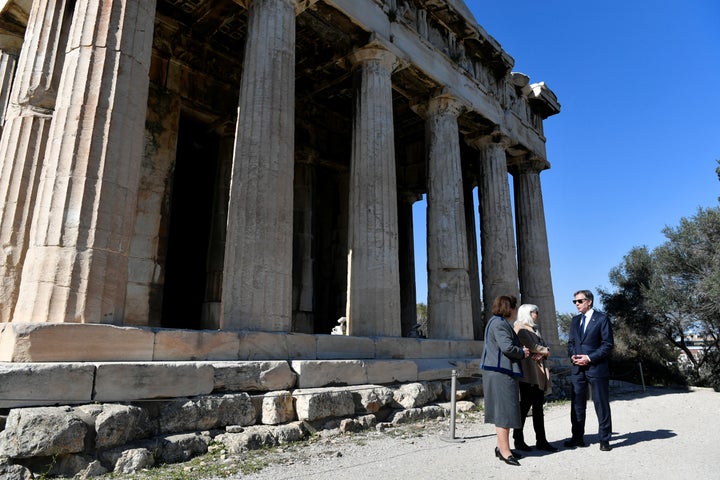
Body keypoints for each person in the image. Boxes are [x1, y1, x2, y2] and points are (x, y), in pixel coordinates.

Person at [481, 295, 530, 466]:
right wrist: (522, 352)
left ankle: (501, 447)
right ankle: (505, 452)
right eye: (515, 308)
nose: (516, 311)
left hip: (498, 371)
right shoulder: (499, 324)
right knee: (504, 412)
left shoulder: (497, 322)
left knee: (505, 411)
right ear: (508, 308)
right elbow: (507, 348)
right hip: (500, 372)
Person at [566, 289, 614, 451]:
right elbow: (571, 343)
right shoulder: (575, 321)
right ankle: (577, 438)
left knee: (601, 404)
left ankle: (604, 439)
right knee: (577, 405)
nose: (577, 304)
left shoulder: (602, 319)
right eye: (575, 302)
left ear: (589, 301)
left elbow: (607, 344)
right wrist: (573, 356)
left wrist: (589, 358)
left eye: (579, 301)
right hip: (577, 369)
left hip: (597, 368)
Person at [512, 304, 558, 452]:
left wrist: (543, 351)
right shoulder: (520, 328)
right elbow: (533, 346)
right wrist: (545, 351)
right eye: (535, 312)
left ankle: (541, 440)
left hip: (538, 373)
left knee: (538, 408)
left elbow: (541, 347)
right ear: (528, 313)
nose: (537, 314)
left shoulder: (534, 328)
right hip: (528, 374)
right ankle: (518, 440)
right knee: (524, 408)